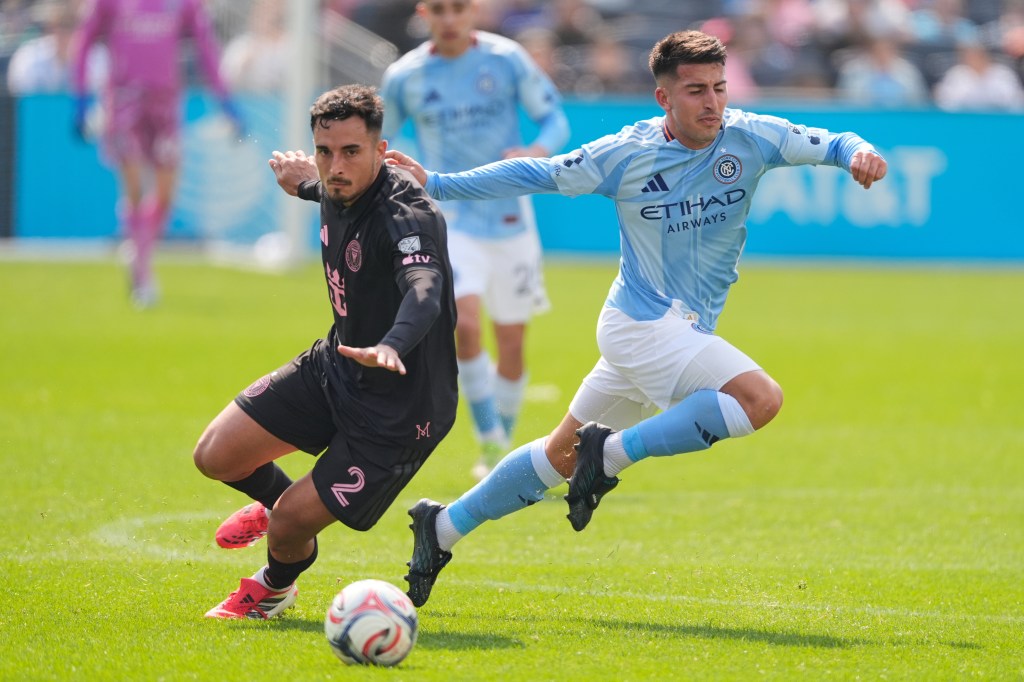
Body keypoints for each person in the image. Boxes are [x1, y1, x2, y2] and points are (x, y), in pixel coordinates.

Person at [385, 29, 888, 607]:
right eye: (696, 90)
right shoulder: (625, 154)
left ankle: (441, 527)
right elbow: (539, 174)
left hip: (675, 329)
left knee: (558, 455)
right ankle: (612, 455)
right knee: (759, 400)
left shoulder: (752, 137)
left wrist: (859, 154)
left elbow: (833, 140)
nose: (712, 103)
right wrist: (439, 183)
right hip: (641, 323)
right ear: (663, 98)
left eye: (719, 88)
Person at [195, 84, 458, 620]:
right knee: (215, 455)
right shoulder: (335, 185)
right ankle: (285, 508)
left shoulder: (408, 216)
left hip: (400, 411)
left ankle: (273, 588)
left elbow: (424, 289)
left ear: (381, 152)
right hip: (335, 367)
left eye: (351, 152)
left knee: (292, 523)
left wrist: (392, 344)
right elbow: (331, 189)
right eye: (324, 152)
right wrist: (304, 185)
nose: (335, 166)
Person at [379, 0, 570, 480]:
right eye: (439, 9)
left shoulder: (506, 59)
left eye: (458, 8)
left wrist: (535, 151)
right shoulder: (405, 75)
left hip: (510, 220)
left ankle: (502, 443)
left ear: (473, 12)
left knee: (511, 340)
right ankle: (489, 436)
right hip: (450, 219)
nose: (449, 19)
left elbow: (555, 121)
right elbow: (381, 139)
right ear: (425, 13)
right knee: (462, 323)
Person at [71, 0, 243, 308]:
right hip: (124, 101)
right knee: (134, 188)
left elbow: (206, 50)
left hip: (165, 104)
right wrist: (81, 100)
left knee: (165, 195)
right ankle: (142, 275)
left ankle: (138, 250)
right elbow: (84, 42)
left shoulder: (184, 4)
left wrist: (226, 103)